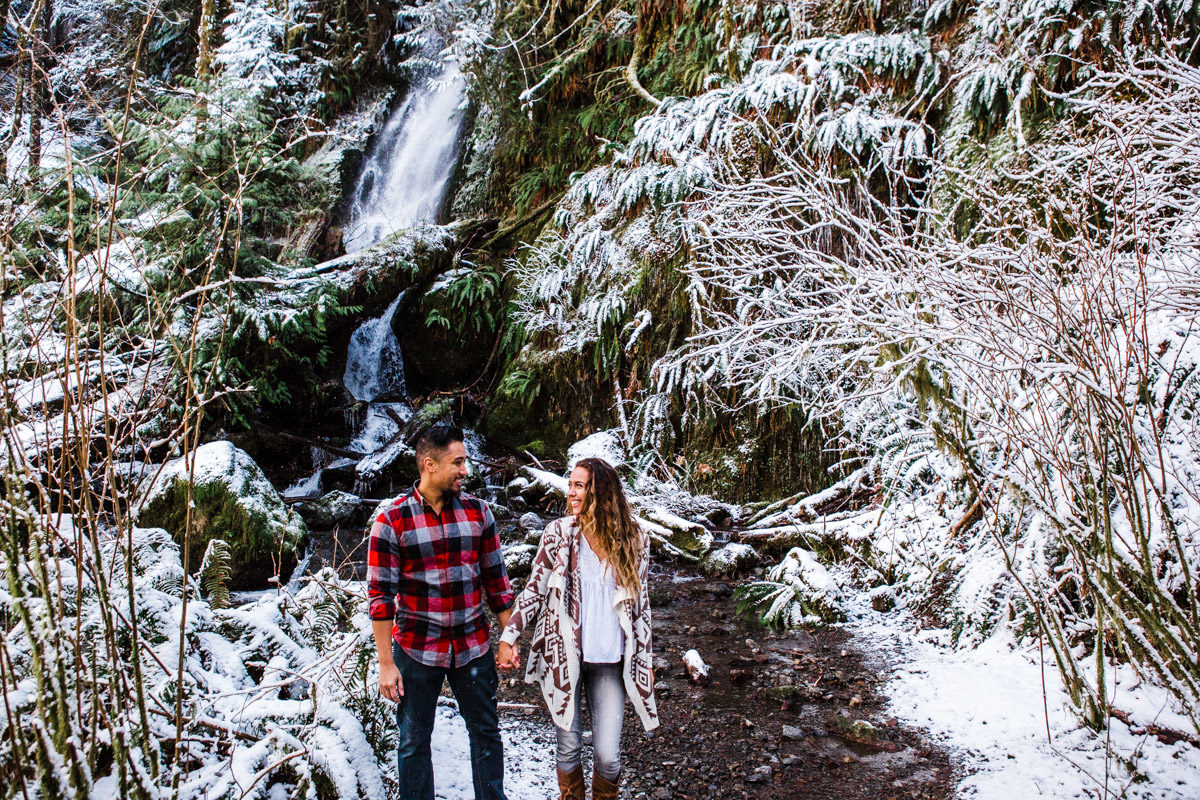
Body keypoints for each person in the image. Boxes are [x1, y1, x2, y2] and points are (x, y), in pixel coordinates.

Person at [496, 457, 658, 800]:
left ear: (599, 490)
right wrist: (509, 636)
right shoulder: (559, 534)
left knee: (609, 757)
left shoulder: (634, 539)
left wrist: (646, 661)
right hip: (565, 657)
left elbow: (641, 608)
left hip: (612, 662)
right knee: (568, 749)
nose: (570, 492)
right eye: (569, 484)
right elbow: (535, 588)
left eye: (579, 485)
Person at [367, 424, 513, 800]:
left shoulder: (479, 514)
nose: (466, 470)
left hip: (473, 646)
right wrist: (386, 664)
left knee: (485, 734)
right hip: (416, 649)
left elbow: (497, 581)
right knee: (414, 742)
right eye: (458, 462)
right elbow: (381, 597)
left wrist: (509, 638)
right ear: (429, 465)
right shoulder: (391, 521)